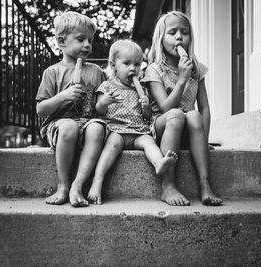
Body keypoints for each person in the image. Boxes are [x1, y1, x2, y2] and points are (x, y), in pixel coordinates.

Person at [142, 11, 222, 206]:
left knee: (194, 115)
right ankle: (168, 186)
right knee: (177, 114)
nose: (179, 37)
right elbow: (165, 107)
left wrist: (204, 139)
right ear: (161, 38)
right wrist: (182, 79)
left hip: (189, 129)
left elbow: (204, 107)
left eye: (184, 32)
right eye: (172, 32)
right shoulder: (155, 69)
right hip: (163, 126)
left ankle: (205, 185)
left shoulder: (196, 68)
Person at [87, 39, 178, 205]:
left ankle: (159, 163)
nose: (132, 68)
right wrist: (104, 102)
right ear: (113, 65)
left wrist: (146, 107)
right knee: (111, 146)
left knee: (149, 142)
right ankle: (97, 182)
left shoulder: (142, 89)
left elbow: (147, 116)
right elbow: (99, 110)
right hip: (116, 129)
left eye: (137, 64)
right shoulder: (107, 86)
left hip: (138, 131)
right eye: (127, 63)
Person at [36, 11, 107, 207]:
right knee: (69, 127)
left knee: (97, 127)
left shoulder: (96, 72)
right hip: (59, 126)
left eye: (90, 40)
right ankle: (63, 185)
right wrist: (62, 96)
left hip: (87, 123)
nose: (87, 45)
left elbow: (101, 109)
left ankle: (78, 184)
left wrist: (105, 102)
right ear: (61, 41)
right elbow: (41, 110)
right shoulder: (52, 72)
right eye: (80, 39)